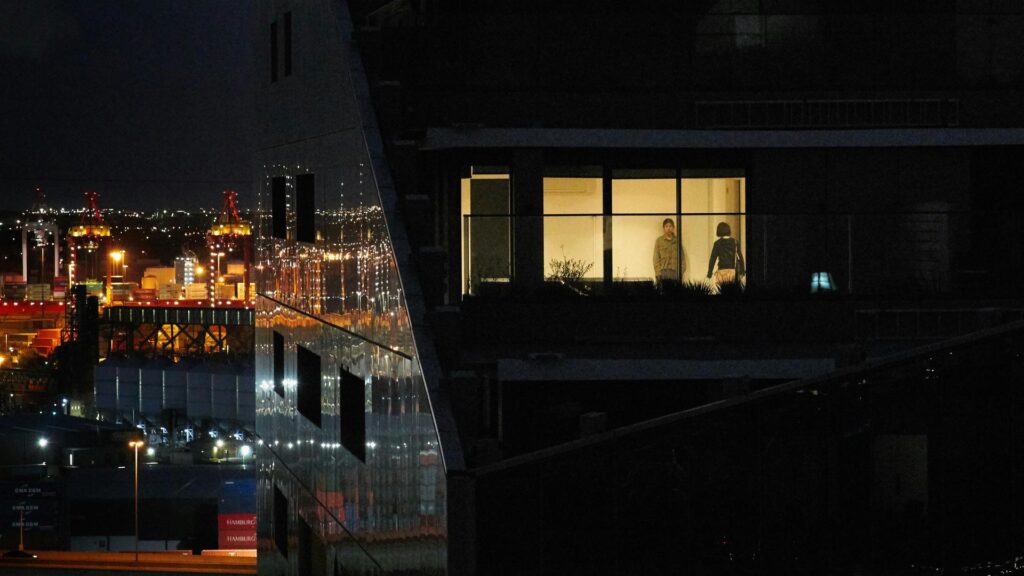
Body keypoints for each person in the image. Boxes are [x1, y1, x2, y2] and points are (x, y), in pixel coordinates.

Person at [653, 218, 683, 287]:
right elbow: (656, 259)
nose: (668, 228)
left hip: (675, 273)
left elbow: (682, 259)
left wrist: (680, 272)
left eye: (670, 226)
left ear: (673, 228)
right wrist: (658, 273)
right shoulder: (659, 241)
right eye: (666, 226)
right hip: (663, 273)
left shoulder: (677, 241)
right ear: (663, 228)